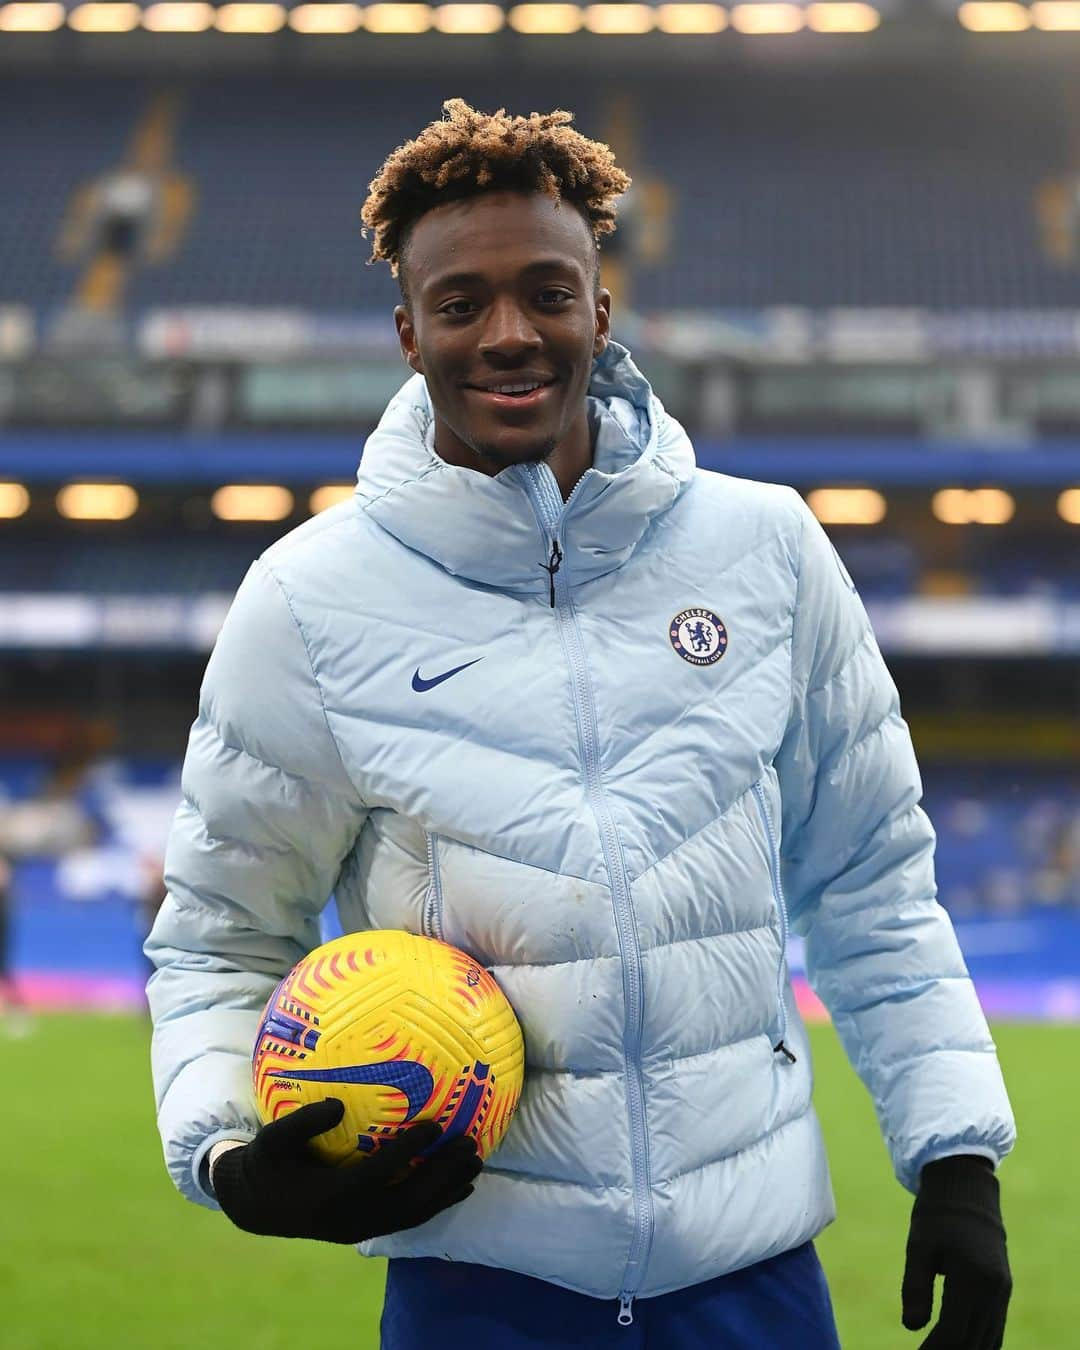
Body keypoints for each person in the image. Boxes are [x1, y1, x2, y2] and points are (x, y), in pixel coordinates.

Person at [146, 100, 1015, 1350]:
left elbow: (873, 882)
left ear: (602, 309)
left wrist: (956, 1160)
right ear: (409, 333)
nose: (509, 334)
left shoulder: (766, 548)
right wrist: (230, 1155)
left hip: (752, 1276)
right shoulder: (308, 599)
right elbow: (224, 937)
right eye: (461, 304)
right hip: (479, 1293)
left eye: (548, 292)